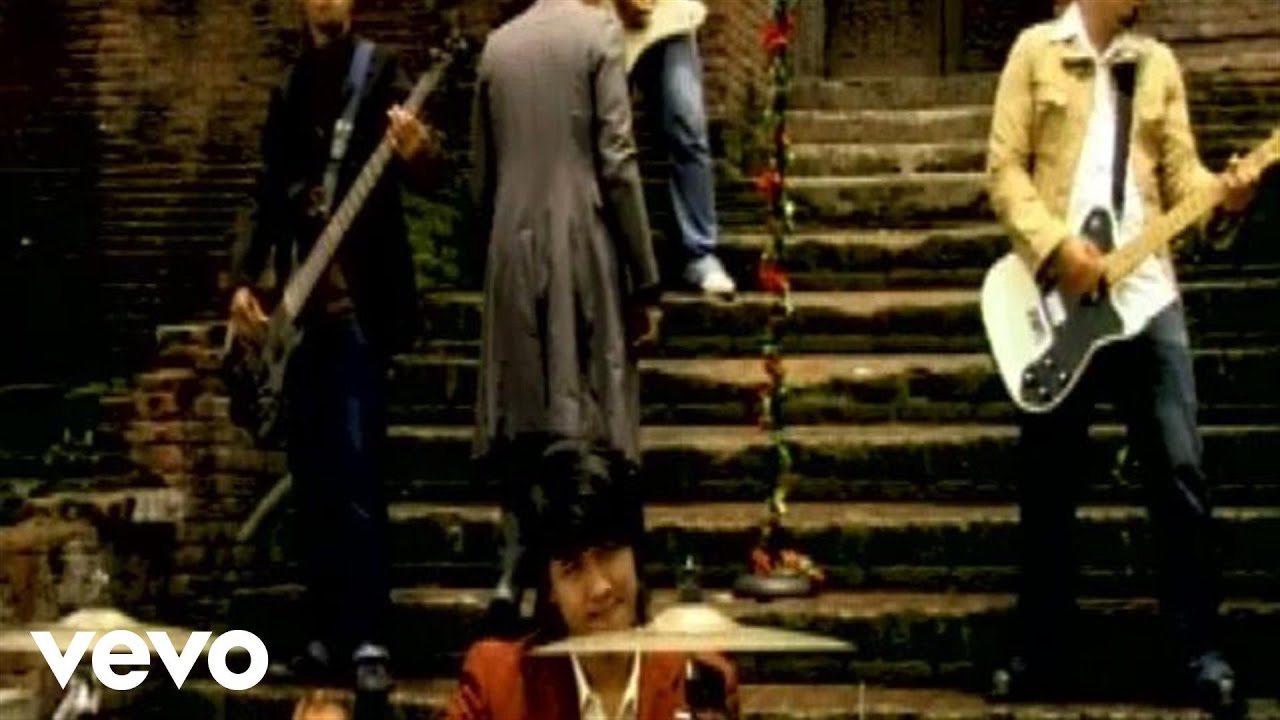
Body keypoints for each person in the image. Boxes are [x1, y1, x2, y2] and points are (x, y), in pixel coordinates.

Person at [985, 0, 1261, 710]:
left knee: (1180, 470)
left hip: (1147, 294)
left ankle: (1199, 653)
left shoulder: (1158, 65)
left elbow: (1184, 179)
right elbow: (1005, 170)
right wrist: (1056, 248)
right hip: (1063, 300)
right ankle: (1040, 651)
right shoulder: (1035, 52)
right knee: (1048, 481)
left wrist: (1226, 197)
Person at [228, 0, 443, 691]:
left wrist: (419, 152)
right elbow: (266, 192)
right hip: (303, 316)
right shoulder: (289, 88)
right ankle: (324, 636)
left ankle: (370, 637)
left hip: (359, 314)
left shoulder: (379, 73)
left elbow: (431, 172)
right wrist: (243, 281)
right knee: (314, 480)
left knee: (358, 475)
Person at [469, 0, 663, 630]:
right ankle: (595, 576)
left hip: (511, 246)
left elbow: (481, 179)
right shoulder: (598, 35)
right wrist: (645, 277)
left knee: (526, 416)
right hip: (580, 238)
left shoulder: (497, 48)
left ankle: (513, 573)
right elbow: (618, 160)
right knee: (591, 413)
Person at [448, 440, 739, 719]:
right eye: (572, 568)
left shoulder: (704, 677)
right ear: (550, 588)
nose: (600, 588)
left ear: (635, 554)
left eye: (608, 552)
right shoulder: (495, 682)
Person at [613, 0, 736, 297]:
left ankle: (700, 254)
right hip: (607, 17)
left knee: (686, 123)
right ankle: (612, 255)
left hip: (668, 16)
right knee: (607, 131)